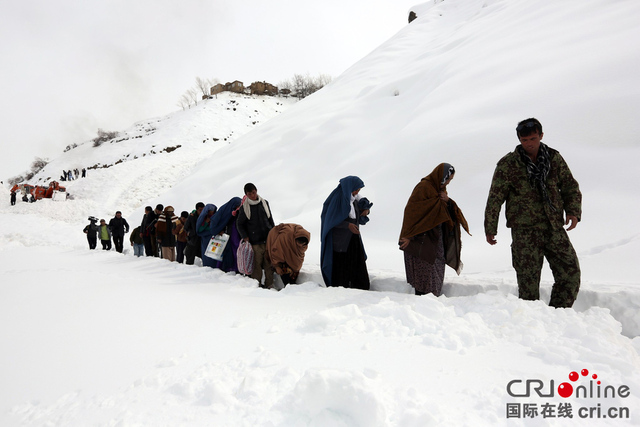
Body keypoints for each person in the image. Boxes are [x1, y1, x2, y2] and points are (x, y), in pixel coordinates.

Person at [484, 118, 582, 308]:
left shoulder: (554, 158)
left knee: (570, 274)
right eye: (525, 140)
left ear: (541, 136)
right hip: (525, 232)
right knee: (528, 285)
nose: (529, 144)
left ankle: (558, 314)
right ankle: (531, 327)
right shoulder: (508, 165)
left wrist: (573, 211)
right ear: (519, 140)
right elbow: (495, 198)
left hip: (553, 227)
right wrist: (490, 227)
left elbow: (570, 186)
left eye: (533, 139)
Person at [399, 164, 471, 296]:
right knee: (424, 272)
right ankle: (422, 302)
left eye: (450, 180)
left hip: (436, 239)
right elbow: (412, 212)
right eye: (448, 179)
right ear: (441, 176)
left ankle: (433, 301)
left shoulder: (440, 190)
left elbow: (445, 213)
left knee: (436, 269)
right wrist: (407, 236)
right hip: (421, 239)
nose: (448, 182)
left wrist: (448, 201)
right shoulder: (423, 188)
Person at [320, 176, 371, 290]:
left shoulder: (353, 198)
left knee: (357, 262)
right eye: (356, 189)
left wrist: (366, 210)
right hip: (340, 242)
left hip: (352, 239)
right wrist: (347, 225)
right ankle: (341, 288)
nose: (357, 192)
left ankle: (359, 288)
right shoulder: (338, 199)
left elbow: (359, 208)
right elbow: (330, 220)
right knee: (341, 265)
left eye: (358, 190)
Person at [236, 183, 276, 288]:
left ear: (256, 191)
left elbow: (270, 219)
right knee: (256, 265)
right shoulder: (244, 207)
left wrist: (273, 232)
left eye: (254, 192)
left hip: (267, 239)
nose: (253, 195)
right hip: (255, 242)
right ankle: (256, 285)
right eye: (250, 194)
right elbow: (239, 224)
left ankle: (269, 285)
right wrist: (245, 236)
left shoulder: (264, 203)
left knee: (269, 264)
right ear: (246, 195)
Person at [209, 197, 243, 272]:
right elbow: (216, 223)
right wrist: (219, 230)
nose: (238, 207)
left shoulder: (235, 212)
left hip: (233, 234)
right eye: (237, 206)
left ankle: (235, 268)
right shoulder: (225, 211)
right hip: (227, 235)